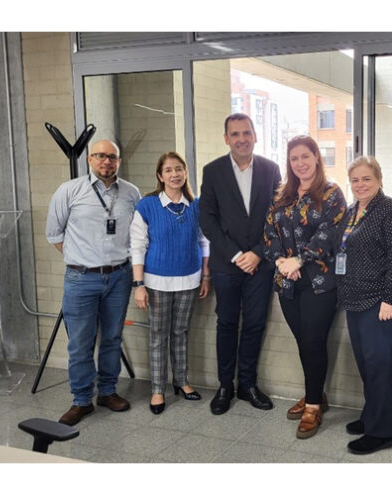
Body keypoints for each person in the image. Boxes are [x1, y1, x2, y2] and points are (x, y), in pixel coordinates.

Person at [46, 139, 141, 426]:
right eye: (100, 156)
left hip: (119, 277)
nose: (106, 162)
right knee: (80, 343)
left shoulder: (130, 193)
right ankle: (81, 400)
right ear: (89, 159)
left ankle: (108, 392)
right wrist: (82, 261)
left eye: (112, 157)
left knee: (112, 338)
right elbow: (54, 234)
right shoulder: (69, 191)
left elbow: (138, 234)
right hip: (80, 279)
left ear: (119, 161)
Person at [263, 135, 346, 439]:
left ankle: (313, 405)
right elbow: (268, 234)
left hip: (320, 284)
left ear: (316, 157)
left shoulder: (332, 193)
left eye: (305, 156)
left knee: (313, 341)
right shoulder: (281, 195)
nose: (300, 163)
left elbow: (330, 235)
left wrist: (299, 260)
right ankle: (317, 393)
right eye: (294, 158)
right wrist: (283, 263)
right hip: (287, 284)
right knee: (304, 342)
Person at [199, 113, 281, 415]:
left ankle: (247, 384)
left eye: (246, 133)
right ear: (226, 139)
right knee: (227, 323)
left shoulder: (271, 170)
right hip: (226, 264)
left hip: (261, 264)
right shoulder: (213, 171)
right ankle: (225, 386)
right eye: (235, 134)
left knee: (256, 324)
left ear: (256, 136)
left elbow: (277, 216)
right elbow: (207, 219)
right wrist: (236, 255)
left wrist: (258, 252)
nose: (242, 139)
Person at [334, 156, 392, 455]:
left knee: (377, 363)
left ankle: (382, 432)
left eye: (366, 178)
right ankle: (373, 415)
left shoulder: (390, 211)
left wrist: (391, 298)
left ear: (379, 179)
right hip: (354, 298)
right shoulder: (352, 211)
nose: (360, 184)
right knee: (366, 362)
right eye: (355, 180)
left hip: (380, 300)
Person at [130, 152, 211, 414]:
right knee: (157, 336)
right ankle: (157, 389)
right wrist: (138, 284)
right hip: (156, 282)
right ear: (159, 176)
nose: (174, 174)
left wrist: (206, 274)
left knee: (181, 333)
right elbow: (137, 246)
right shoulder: (147, 205)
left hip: (189, 279)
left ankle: (182, 381)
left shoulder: (196, 205)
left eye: (179, 169)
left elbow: (204, 241)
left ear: (186, 173)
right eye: (168, 170)